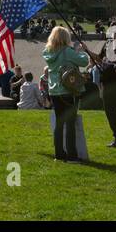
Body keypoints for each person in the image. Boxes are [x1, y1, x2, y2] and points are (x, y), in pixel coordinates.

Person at [42, 25, 89, 163]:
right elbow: (84, 61)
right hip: (68, 90)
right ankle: (72, 155)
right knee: (70, 124)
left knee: (59, 124)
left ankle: (59, 154)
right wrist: (81, 50)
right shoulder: (68, 51)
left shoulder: (48, 51)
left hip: (54, 91)